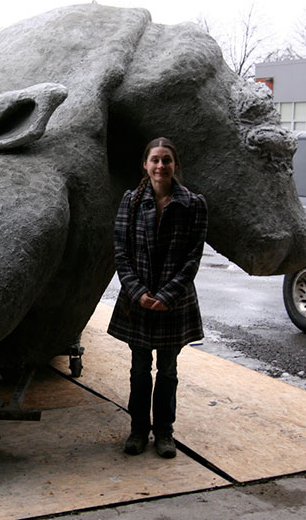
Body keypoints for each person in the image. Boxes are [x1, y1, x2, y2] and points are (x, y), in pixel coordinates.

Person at [107, 137, 207, 458]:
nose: (161, 165)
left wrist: (167, 295)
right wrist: (138, 293)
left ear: (175, 165)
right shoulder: (131, 201)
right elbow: (121, 253)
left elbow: (193, 258)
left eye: (167, 160)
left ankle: (164, 432)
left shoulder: (193, 204)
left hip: (174, 304)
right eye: (155, 160)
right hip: (139, 303)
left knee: (167, 371)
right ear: (145, 165)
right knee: (139, 369)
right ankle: (138, 430)